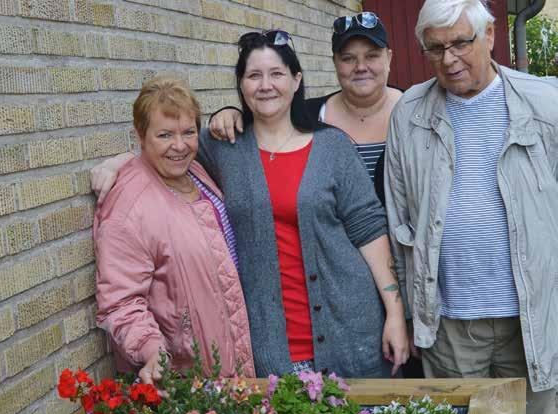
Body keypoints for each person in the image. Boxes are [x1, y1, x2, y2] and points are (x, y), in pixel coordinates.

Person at [92, 30, 410, 379]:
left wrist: (394, 314)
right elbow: (167, 145)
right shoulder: (222, 147)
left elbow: (368, 229)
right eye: (254, 75)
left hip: (351, 332)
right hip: (270, 346)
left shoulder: (333, 146)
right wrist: (120, 163)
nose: (266, 85)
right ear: (241, 85)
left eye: (276, 74)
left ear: (296, 79)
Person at [384, 1, 558, 414]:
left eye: (460, 43)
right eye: (435, 48)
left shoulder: (545, 103)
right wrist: (409, 309)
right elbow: (400, 210)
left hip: (530, 314)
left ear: (489, 36)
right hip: (451, 314)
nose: (449, 59)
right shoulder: (410, 111)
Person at [93, 76, 255, 384]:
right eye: (165, 135)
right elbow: (121, 303)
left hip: (233, 365)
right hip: (188, 380)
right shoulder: (128, 207)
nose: (179, 146)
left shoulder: (194, 170)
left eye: (188, 132)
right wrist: (152, 351)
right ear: (140, 135)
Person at [209, 12, 402, 206]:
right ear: (334, 62)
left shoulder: (416, 112)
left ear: (389, 57)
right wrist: (232, 113)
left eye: (372, 56)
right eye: (348, 58)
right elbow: (266, 114)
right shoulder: (307, 116)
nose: (360, 66)